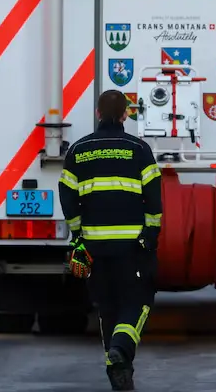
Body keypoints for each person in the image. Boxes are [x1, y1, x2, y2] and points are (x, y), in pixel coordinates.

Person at [58, 89, 163, 391]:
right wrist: (151, 235)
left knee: (107, 307)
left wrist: (78, 236)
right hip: (131, 248)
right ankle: (120, 350)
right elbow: (154, 198)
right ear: (126, 114)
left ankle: (119, 371)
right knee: (137, 301)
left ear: (97, 114)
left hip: (94, 247)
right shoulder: (139, 149)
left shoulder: (78, 150)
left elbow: (67, 196)